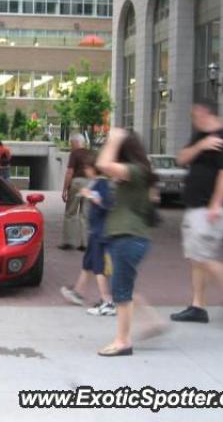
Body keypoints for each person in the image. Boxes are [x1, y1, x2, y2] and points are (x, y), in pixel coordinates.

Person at [171, 99, 223, 324]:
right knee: (195, 257)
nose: (193, 118)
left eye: (195, 114)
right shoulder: (200, 137)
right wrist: (201, 145)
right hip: (195, 207)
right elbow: (181, 159)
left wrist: (216, 205)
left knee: (203, 256)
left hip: (210, 209)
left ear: (205, 113)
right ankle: (198, 306)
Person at [96, 128, 162, 356]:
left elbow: (103, 164)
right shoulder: (139, 173)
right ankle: (151, 322)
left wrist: (114, 139)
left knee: (121, 291)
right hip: (128, 237)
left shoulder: (135, 171)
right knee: (122, 288)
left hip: (128, 237)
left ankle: (123, 341)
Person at [60, 154, 115, 316]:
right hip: (96, 231)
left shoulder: (102, 183)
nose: (85, 171)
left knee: (98, 266)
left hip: (100, 232)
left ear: (92, 169)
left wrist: (90, 195)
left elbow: (107, 204)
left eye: (86, 168)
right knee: (88, 262)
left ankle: (107, 300)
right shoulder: (97, 182)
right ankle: (78, 291)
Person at [60, 133, 90, 250]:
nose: (71, 146)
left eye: (71, 143)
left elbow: (70, 172)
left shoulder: (75, 153)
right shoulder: (91, 153)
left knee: (70, 213)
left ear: (77, 142)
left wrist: (65, 190)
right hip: (89, 183)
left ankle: (68, 242)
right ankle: (85, 244)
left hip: (77, 182)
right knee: (85, 214)